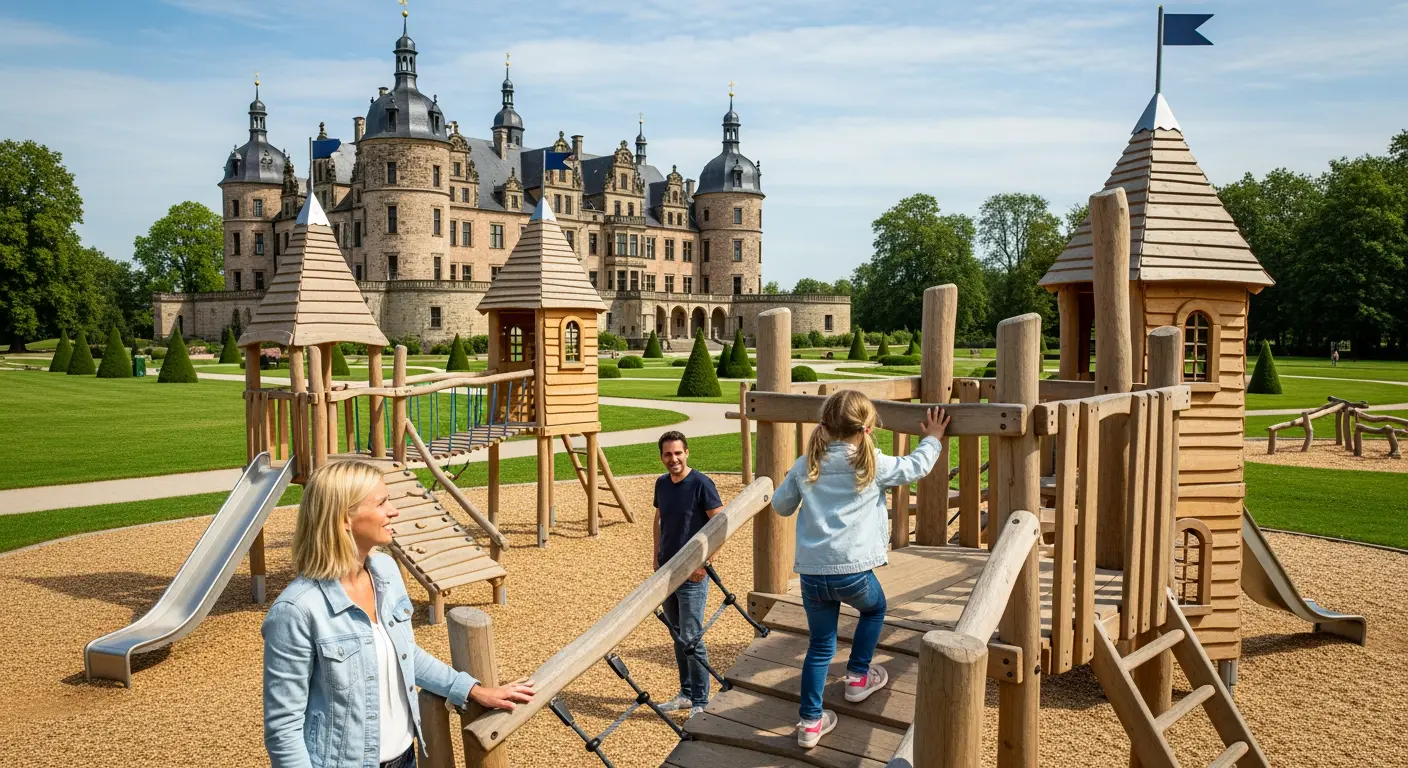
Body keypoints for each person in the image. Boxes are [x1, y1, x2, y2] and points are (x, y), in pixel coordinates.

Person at [263, 461, 535, 768]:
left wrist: (472, 690)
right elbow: (283, 730)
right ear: (343, 519)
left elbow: (405, 655)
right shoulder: (296, 611)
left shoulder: (387, 572)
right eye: (381, 503)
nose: (394, 511)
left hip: (405, 758)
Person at [772, 391, 949, 749]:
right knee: (875, 608)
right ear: (867, 428)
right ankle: (857, 677)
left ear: (825, 424)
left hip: (813, 575)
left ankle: (809, 723)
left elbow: (781, 505)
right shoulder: (873, 465)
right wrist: (932, 438)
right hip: (853, 572)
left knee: (820, 645)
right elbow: (915, 466)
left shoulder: (807, 463)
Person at [652, 430, 723, 716]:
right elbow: (658, 521)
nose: (674, 459)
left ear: (687, 453)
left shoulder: (701, 484)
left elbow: (720, 524)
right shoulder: (661, 484)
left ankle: (701, 702)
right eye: (668, 454)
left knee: (692, 637)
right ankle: (686, 693)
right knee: (677, 636)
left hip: (692, 574)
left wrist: (704, 563)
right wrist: (655, 558)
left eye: (678, 453)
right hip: (667, 571)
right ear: (662, 457)